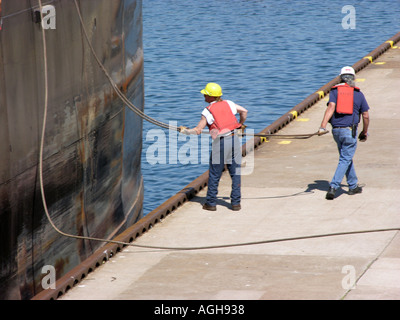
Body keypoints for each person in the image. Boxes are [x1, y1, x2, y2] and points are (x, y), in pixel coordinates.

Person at [180, 83, 248, 211]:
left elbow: (198, 130)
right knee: (236, 172)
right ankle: (236, 203)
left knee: (215, 173)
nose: (204, 95)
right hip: (234, 139)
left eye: (205, 93)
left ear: (211, 96)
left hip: (221, 143)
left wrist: (185, 131)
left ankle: (211, 203)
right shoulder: (229, 103)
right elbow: (244, 111)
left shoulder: (207, 111)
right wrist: (240, 124)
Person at [319, 66, 370, 200]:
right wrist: (364, 132)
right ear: (353, 79)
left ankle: (353, 186)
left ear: (341, 78)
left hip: (336, 131)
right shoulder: (358, 94)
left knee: (346, 157)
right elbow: (365, 115)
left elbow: (331, 107)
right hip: (349, 131)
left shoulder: (335, 91)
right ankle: (334, 186)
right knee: (345, 158)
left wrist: (322, 126)